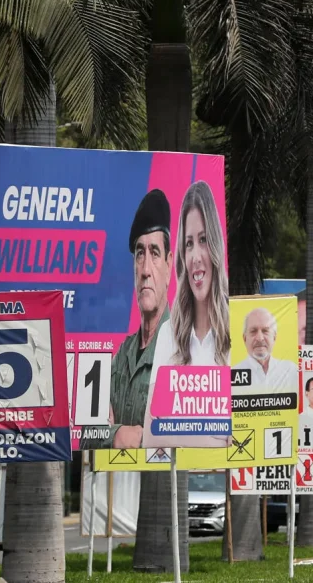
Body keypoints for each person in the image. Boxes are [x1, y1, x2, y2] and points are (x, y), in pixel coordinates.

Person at [81, 189, 172, 450]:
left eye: (154, 253)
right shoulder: (122, 355)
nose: (145, 270)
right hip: (117, 488)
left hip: (164, 489)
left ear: (169, 266)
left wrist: (113, 429)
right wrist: (119, 435)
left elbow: (185, 436)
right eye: (139, 254)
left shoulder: (182, 350)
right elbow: (88, 434)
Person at [143, 181, 231, 448]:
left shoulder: (238, 334)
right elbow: (151, 435)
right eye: (189, 243)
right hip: (177, 479)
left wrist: (179, 430)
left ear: (215, 246)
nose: (195, 256)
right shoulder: (168, 334)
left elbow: (244, 436)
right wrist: (214, 436)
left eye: (203, 240)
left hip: (227, 483)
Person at [238, 307, 297, 390]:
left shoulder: (290, 370)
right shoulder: (232, 373)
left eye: (265, 331)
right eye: (253, 331)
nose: (260, 338)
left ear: (274, 337)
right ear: (244, 338)